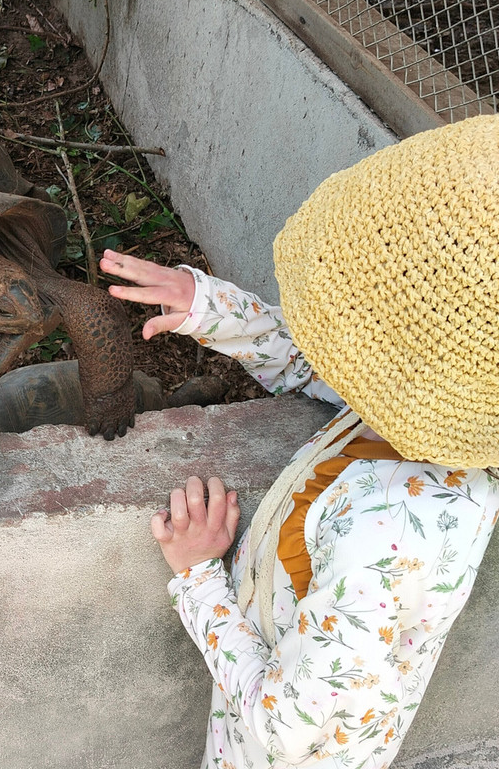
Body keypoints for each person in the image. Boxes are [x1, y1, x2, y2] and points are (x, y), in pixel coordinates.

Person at [100, 115, 499, 768]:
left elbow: (282, 731)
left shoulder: (383, 537)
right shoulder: (436, 421)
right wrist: (209, 309)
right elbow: (315, 366)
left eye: (359, 324)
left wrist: (200, 580)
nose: (333, 338)